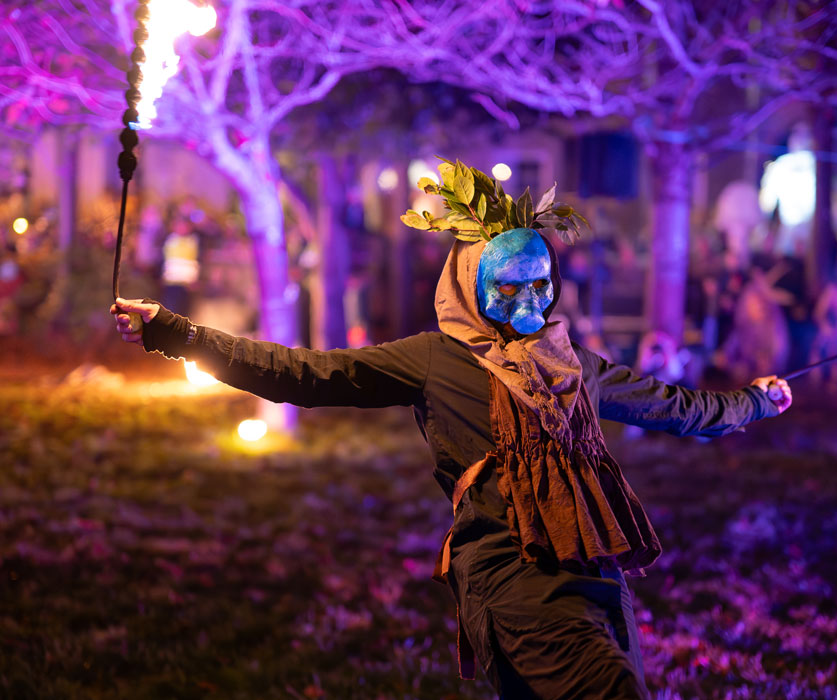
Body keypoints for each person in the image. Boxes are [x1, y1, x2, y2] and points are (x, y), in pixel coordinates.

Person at [112, 162, 791, 699]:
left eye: (541, 286)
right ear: (471, 284)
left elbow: (681, 409)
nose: (529, 305)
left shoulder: (571, 365)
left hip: (594, 575)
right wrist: (177, 334)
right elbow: (303, 374)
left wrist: (755, 401)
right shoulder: (436, 361)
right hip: (512, 579)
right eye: (510, 289)